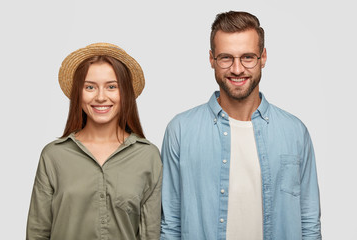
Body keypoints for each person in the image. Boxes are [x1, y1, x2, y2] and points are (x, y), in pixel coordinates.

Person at [160, 11, 321, 240]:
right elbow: (170, 224)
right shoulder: (180, 131)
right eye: (226, 58)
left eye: (247, 57)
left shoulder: (294, 132)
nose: (237, 69)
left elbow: (309, 222)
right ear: (211, 59)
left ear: (263, 57)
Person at [26, 43, 162, 240]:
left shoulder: (147, 156)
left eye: (111, 87)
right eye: (90, 87)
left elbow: (150, 234)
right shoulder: (53, 156)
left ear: (124, 93)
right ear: (78, 94)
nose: (100, 97)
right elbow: (37, 232)